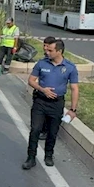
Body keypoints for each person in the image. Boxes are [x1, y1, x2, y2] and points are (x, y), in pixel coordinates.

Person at [22, 39, 79, 170]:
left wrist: (73, 109)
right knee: (35, 129)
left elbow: (74, 88)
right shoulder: (42, 64)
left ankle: (49, 155)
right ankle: (31, 157)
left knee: (52, 132)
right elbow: (31, 80)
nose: (46, 52)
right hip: (40, 102)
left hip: (57, 104)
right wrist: (43, 90)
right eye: (46, 49)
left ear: (59, 51)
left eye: (50, 50)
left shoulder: (70, 67)